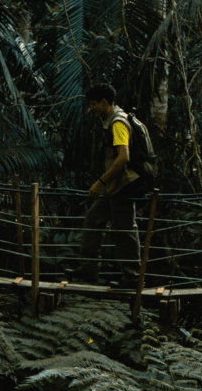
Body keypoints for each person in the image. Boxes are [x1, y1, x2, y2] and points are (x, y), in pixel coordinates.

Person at [65, 84, 145, 289]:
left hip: (123, 185)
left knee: (125, 230)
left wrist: (101, 182)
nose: (91, 109)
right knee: (94, 219)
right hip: (114, 186)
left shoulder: (118, 123)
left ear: (104, 103)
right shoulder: (115, 119)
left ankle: (132, 279)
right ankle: (89, 269)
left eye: (94, 105)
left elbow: (123, 157)